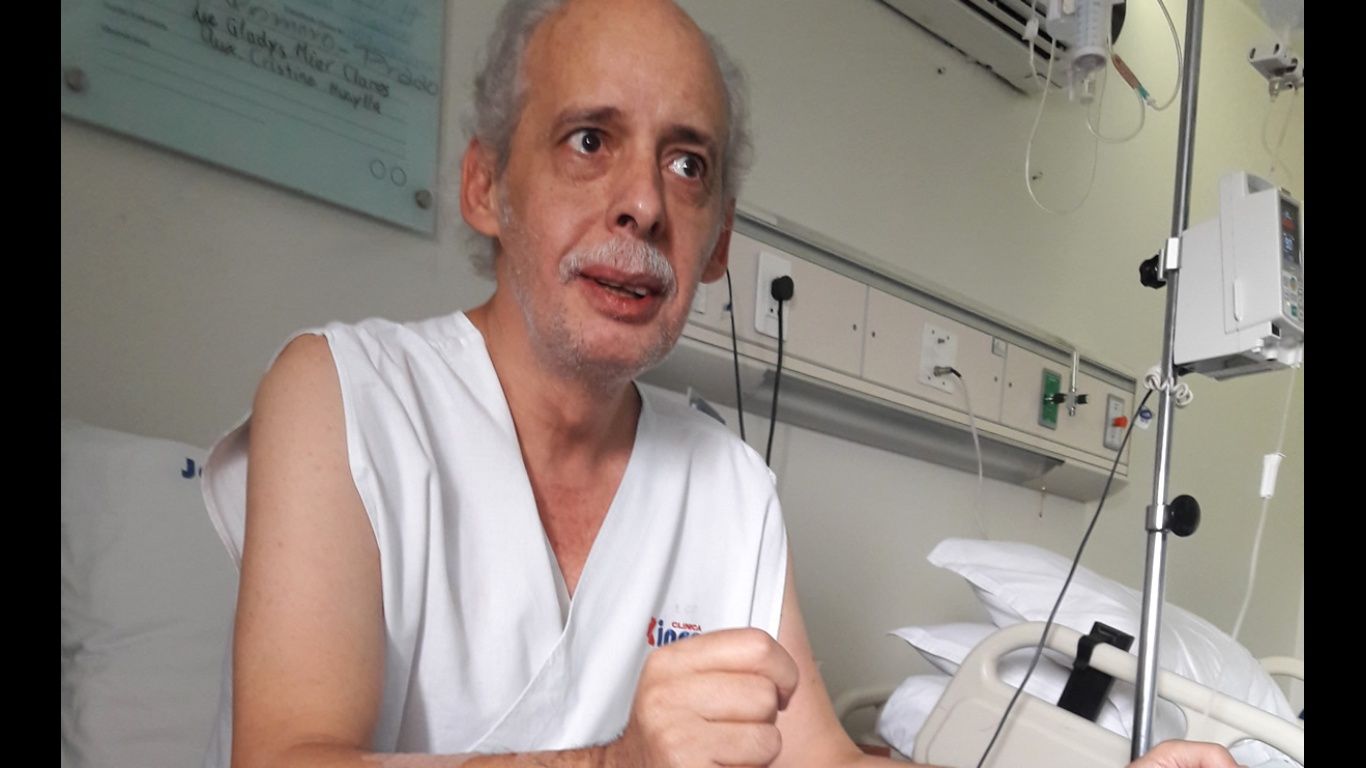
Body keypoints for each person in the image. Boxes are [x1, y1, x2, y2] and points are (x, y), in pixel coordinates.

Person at [202, 1, 1249, 766]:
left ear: (716, 246)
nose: (644, 204)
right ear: (486, 186)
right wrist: (618, 765)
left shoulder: (727, 485)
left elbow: (820, 762)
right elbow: (284, 758)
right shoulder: (344, 397)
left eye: (686, 164)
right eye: (588, 140)